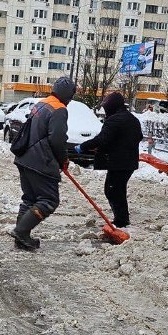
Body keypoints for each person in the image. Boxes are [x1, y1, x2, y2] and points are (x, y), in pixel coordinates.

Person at [9, 76, 76, 250]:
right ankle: (21, 231)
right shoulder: (59, 109)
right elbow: (58, 139)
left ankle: (21, 237)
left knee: (30, 198)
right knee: (48, 200)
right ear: (68, 95)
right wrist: (64, 159)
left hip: (25, 158)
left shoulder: (41, 104)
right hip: (40, 161)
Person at [74, 91, 143, 229]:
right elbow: (138, 137)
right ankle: (121, 218)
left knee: (113, 190)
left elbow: (102, 139)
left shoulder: (114, 120)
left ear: (112, 107)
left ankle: (121, 221)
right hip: (129, 162)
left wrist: (82, 147)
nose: (105, 111)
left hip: (119, 162)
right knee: (117, 189)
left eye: (106, 108)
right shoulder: (132, 119)